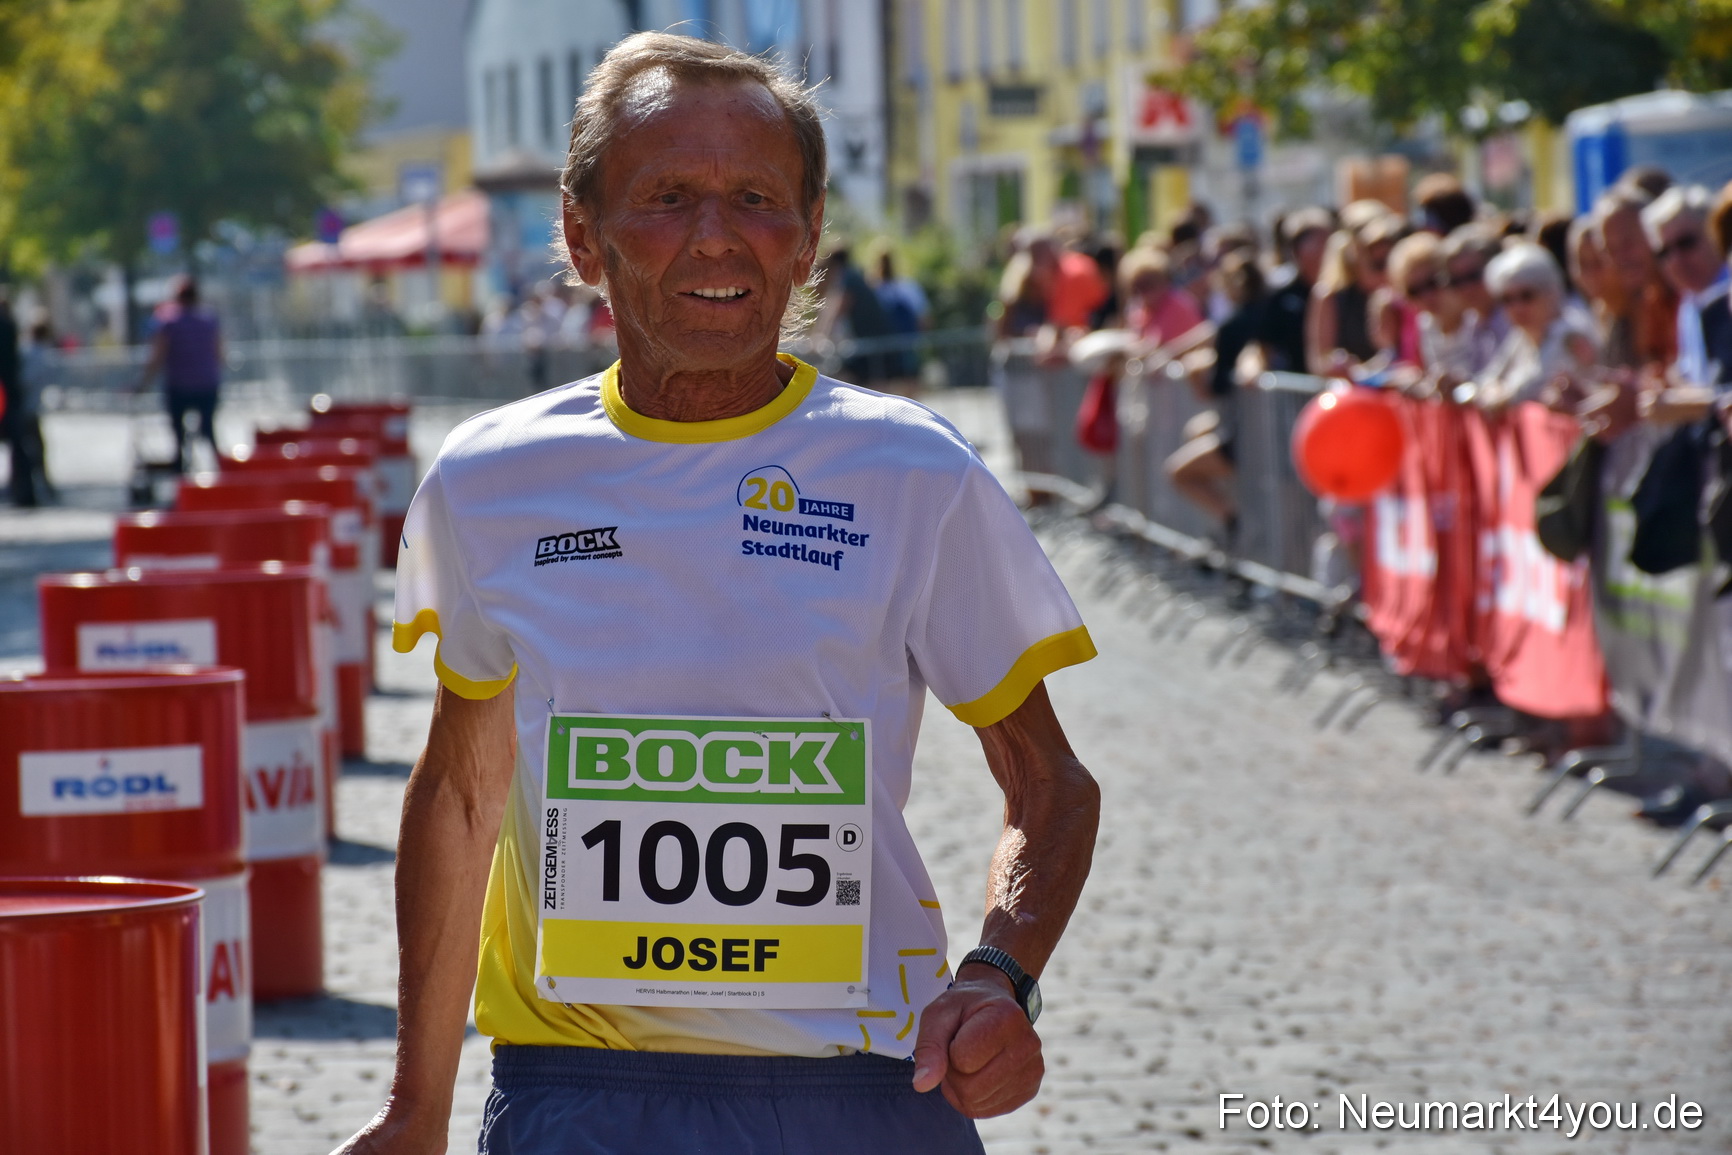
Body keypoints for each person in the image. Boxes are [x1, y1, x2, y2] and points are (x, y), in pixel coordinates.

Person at [340, 32, 1100, 1155]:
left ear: (806, 242)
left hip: (865, 1094)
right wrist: (417, 1105)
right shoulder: (489, 478)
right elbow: (460, 797)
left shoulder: (911, 470)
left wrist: (999, 974)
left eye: (756, 196)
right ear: (581, 235)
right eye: (667, 197)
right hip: (578, 1095)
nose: (716, 234)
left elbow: (1048, 782)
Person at [1165, 249, 1267, 534]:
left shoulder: (1233, 327)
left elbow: (1214, 390)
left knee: (1177, 472)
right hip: (1258, 426)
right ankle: (1231, 521)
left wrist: (1196, 373)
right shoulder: (1266, 315)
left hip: (1243, 433)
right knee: (1195, 430)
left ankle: (1232, 519)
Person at [1476, 244, 1598, 409]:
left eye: (1527, 296)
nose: (1517, 308)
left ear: (1550, 292)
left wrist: (1500, 395)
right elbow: (1490, 376)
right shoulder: (1521, 336)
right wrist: (1490, 390)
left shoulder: (1570, 333)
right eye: (1507, 299)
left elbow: (1535, 386)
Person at [1642, 185, 1729, 387]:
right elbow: (1693, 378)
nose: (1675, 261)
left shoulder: (1725, 297)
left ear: (1715, 235)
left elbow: (1721, 392)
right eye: (1663, 252)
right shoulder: (1689, 303)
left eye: (1686, 243)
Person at [137, 277, 224, 472]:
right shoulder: (209, 320)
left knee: (178, 432)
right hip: (207, 383)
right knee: (208, 429)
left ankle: (181, 468)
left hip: (179, 385)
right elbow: (219, 353)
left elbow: (157, 356)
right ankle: (218, 469)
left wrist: (143, 384)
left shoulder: (168, 321)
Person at [1258, 208, 1330, 373]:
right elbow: (1264, 346)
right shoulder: (1279, 295)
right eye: (1318, 243)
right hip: (1292, 391)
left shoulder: (1341, 293)